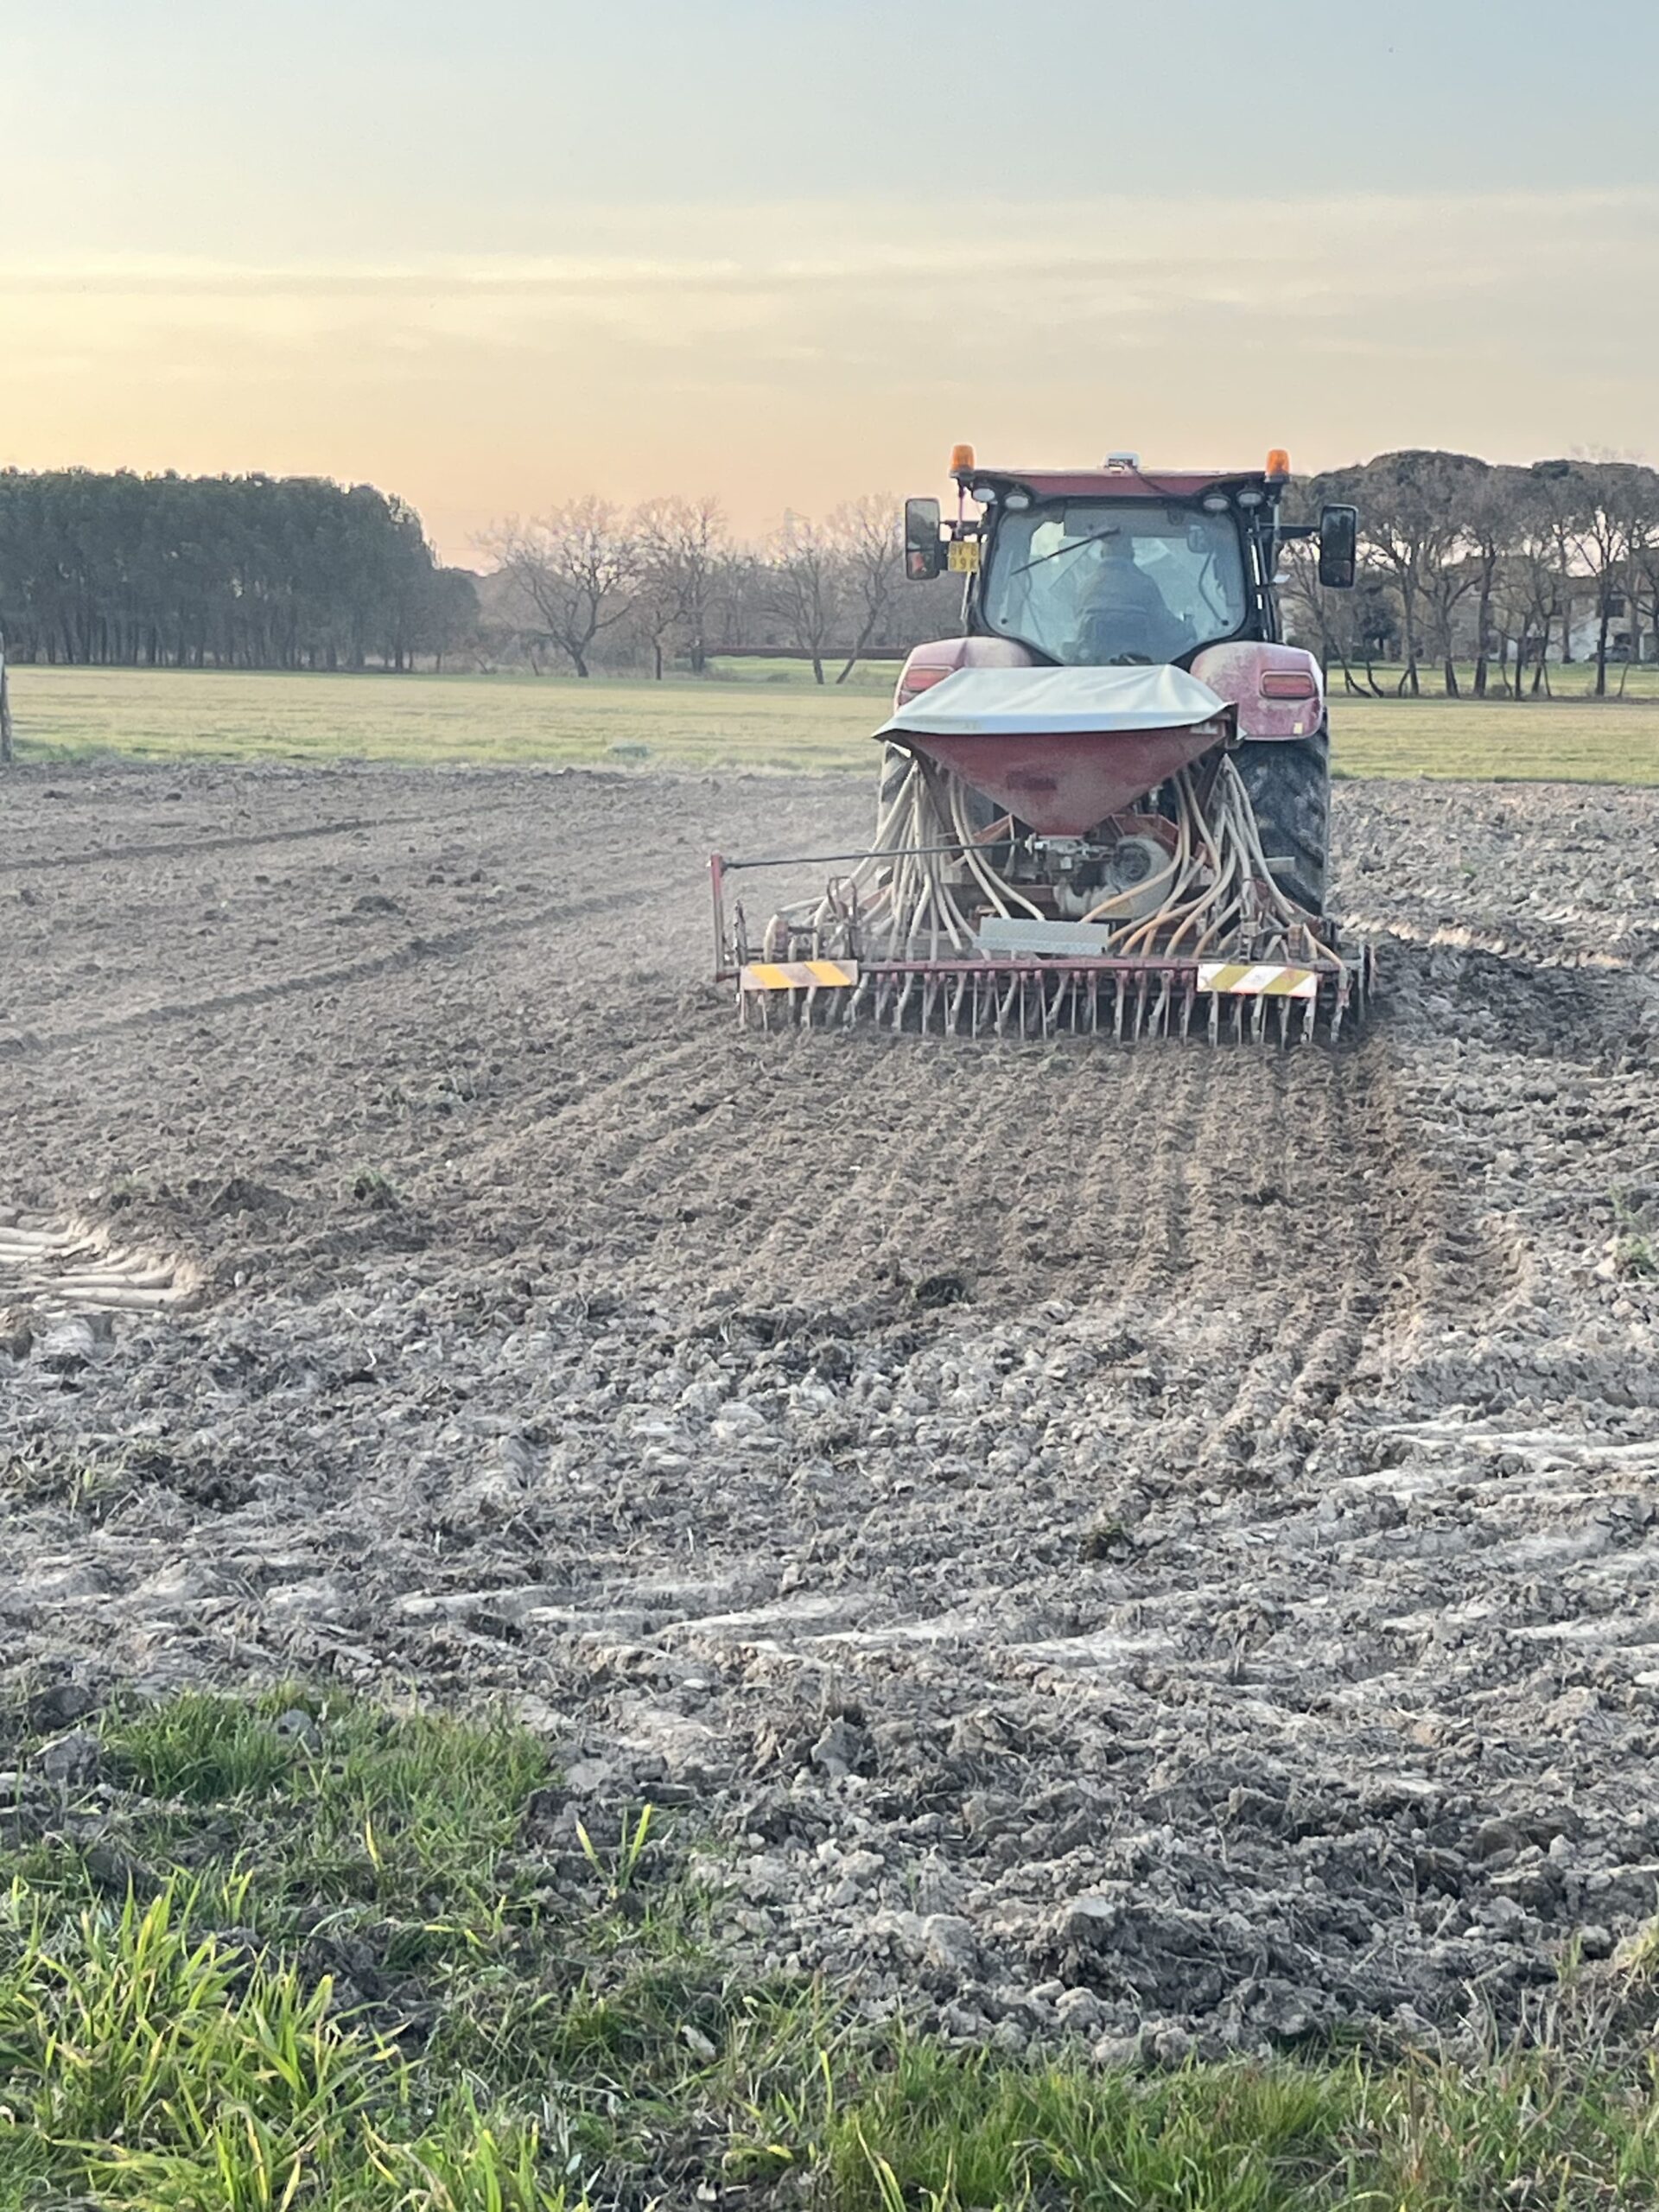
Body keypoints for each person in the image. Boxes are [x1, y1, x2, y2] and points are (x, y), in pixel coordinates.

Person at [1062, 531, 1190, 661]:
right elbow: (1166, 629)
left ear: (1102, 554)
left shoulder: (1085, 587)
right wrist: (1187, 629)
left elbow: (1076, 627)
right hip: (1143, 670)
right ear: (1131, 553)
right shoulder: (1144, 585)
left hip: (1091, 670)